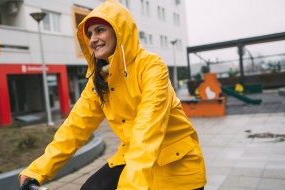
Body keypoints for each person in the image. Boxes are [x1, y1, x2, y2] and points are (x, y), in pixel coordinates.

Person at [19, 0, 207, 189]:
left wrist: (129, 186)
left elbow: (148, 128)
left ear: (119, 31)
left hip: (177, 165)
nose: (92, 39)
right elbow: (75, 127)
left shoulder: (151, 66)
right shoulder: (100, 79)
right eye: (90, 34)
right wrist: (38, 169)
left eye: (100, 30)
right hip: (133, 157)